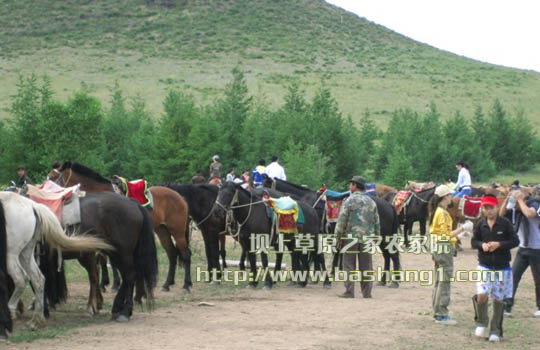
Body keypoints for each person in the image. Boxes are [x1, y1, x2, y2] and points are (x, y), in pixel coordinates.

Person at [471, 195, 519, 342]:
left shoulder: (505, 224)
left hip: (501, 266)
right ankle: (482, 321)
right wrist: (482, 245)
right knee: (482, 294)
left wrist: (499, 244)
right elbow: (474, 241)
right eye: (486, 208)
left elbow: (515, 241)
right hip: (484, 265)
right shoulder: (480, 224)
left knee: (498, 299)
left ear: (497, 207)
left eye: (491, 208)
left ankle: (495, 330)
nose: (489, 211)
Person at [334, 176, 380, 299]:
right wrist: (376, 237)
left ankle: (349, 291)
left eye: (351, 184)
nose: (350, 187)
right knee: (366, 265)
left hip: (351, 237)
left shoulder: (349, 201)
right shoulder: (372, 202)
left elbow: (341, 220)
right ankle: (367, 293)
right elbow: (377, 221)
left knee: (348, 264)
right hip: (367, 238)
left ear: (354, 186)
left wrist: (337, 237)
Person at [428, 184, 468, 325]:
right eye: (450, 195)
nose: (452, 197)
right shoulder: (443, 213)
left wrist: (459, 235)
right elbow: (446, 235)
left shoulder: (436, 211)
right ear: (445, 197)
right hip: (444, 248)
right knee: (444, 281)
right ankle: (441, 314)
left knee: (439, 280)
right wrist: (463, 227)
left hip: (437, 247)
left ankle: (437, 310)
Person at [499, 189, 540, 318]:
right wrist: (507, 199)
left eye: (515, 203)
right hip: (523, 249)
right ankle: (507, 306)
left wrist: (520, 200)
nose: (514, 207)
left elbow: (529, 214)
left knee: (538, 280)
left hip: (537, 249)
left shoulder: (534, 205)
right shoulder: (516, 209)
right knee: (513, 277)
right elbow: (501, 214)